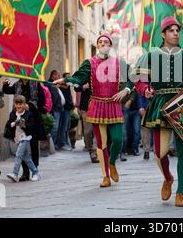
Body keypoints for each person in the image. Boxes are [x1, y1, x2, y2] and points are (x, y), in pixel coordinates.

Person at [132, 16, 183, 207]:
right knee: (159, 152)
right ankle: (167, 177)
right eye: (171, 30)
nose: (175, 33)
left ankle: (180, 192)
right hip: (159, 104)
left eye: (177, 30)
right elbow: (138, 80)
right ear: (163, 34)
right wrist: (145, 90)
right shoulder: (151, 55)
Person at [54, 32, 133, 188]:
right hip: (97, 105)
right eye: (100, 42)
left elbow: (133, 78)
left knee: (118, 140)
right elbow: (78, 78)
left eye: (106, 42)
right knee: (101, 143)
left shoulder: (119, 63)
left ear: (110, 46)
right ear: (97, 46)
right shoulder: (89, 63)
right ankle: (105, 176)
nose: (103, 44)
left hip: (114, 104)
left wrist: (127, 90)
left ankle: (112, 163)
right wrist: (65, 80)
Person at [3, 78, 46, 181]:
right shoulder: (17, 84)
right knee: (22, 150)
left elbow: (42, 100)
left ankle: (35, 170)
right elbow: (8, 90)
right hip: (19, 121)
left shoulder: (36, 83)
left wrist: (29, 106)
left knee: (33, 147)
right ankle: (25, 172)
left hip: (32, 120)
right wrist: (5, 85)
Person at [5, 95, 41, 182]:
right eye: (17, 104)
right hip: (17, 138)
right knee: (26, 158)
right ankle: (35, 172)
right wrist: (13, 123)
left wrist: (23, 125)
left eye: (21, 104)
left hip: (25, 137)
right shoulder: (13, 114)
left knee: (18, 154)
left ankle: (15, 174)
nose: (18, 106)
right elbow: (8, 124)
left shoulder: (29, 114)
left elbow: (31, 126)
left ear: (25, 105)